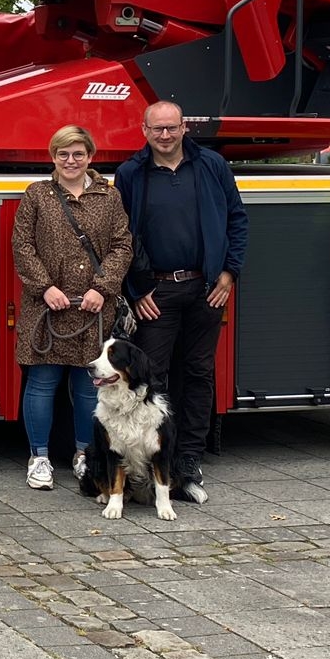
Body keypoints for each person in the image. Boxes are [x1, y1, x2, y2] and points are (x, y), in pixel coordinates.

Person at [114, 100, 248, 503]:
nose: (166, 135)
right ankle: (156, 458)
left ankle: (189, 459)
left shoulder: (212, 166)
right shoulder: (130, 174)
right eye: (158, 129)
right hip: (156, 293)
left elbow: (237, 220)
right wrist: (136, 292)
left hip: (207, 287)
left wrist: (228, 273)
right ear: (145, 130)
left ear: (185, 127)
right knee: (153, 378)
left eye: (172, 127)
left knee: (198, 373)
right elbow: (120, 237)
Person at [12, 126, 132, 491]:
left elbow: (122, 245)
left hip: (93, 310)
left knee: (87, 386)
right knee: (42, 383)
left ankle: (85, 455)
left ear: (90, 157)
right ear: (53, 157)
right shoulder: (36, 195)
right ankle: (40, 458)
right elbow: (22, 246)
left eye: (78, 153)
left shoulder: (109, 198)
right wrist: (45, 287)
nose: (70, 160)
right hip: (46, 308)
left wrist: (102, 288)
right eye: (63, 154)